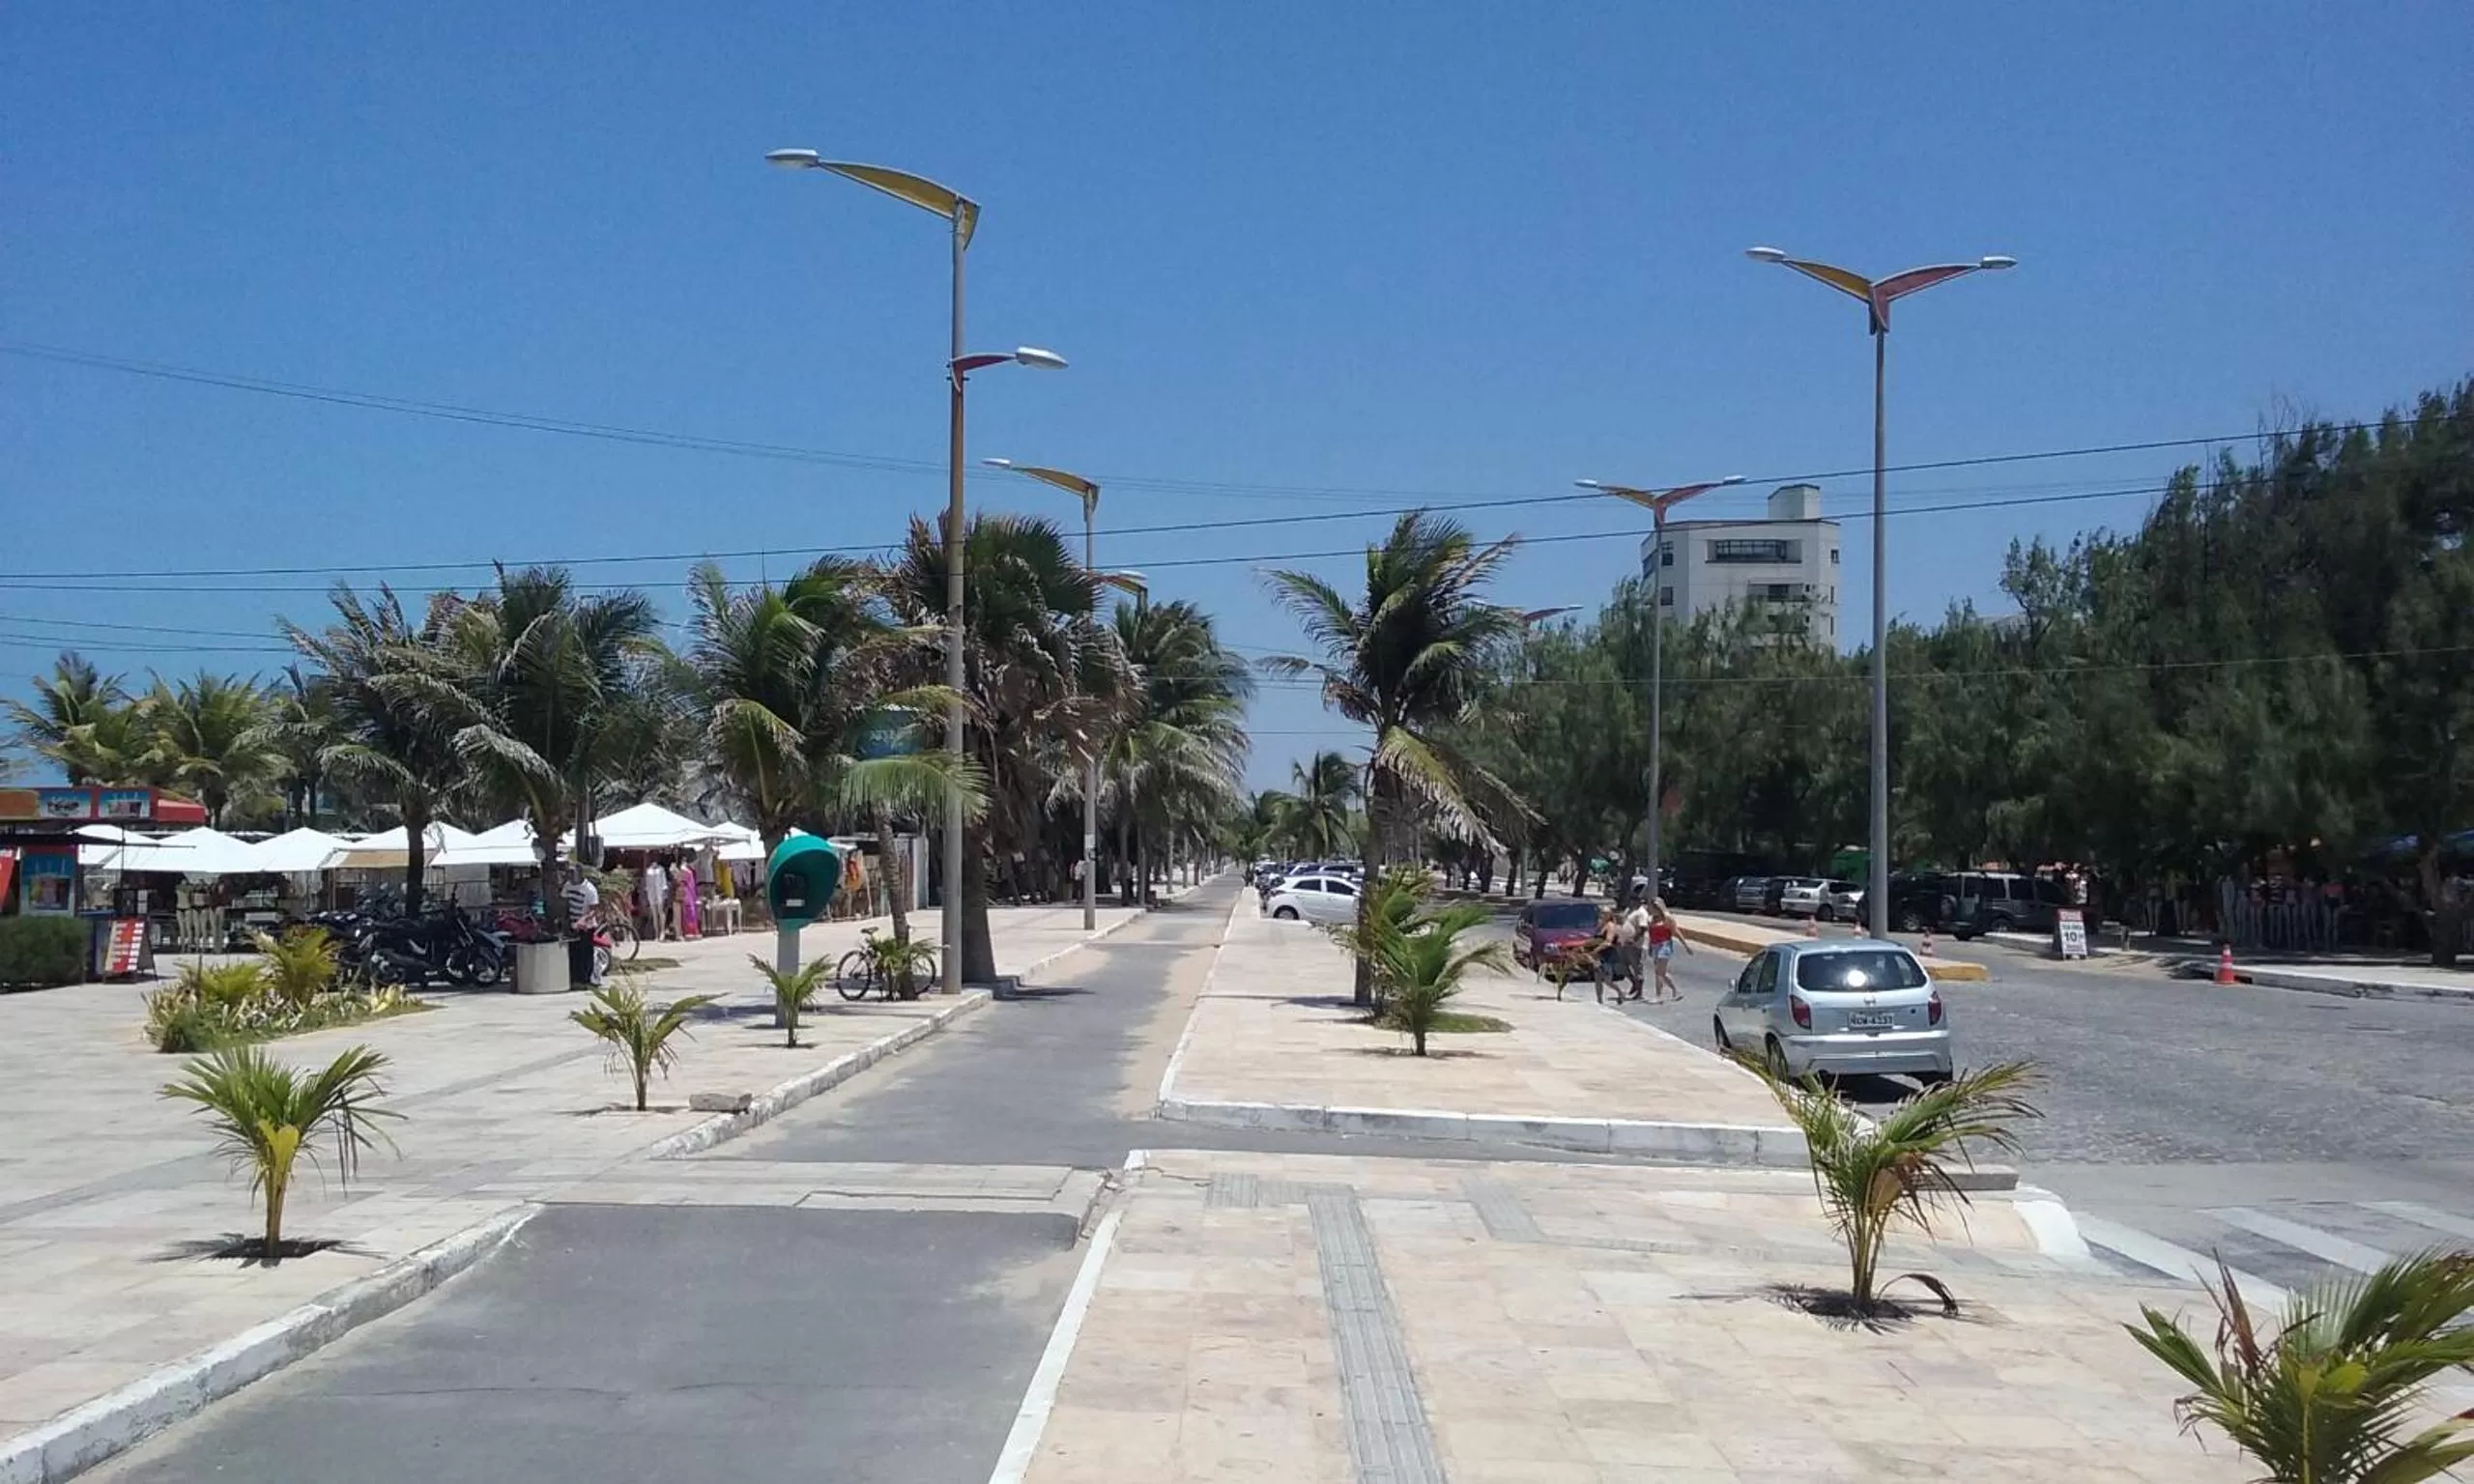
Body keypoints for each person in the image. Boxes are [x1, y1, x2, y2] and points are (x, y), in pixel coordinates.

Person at [561, 864, 605, 986]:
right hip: (573, 923)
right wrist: (565, 920)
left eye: (571, 872)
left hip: (587, 925)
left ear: (579, 873)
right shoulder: (568, 885)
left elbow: (594, 910)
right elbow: (565, 903)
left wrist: (583, 920)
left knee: (585, 953)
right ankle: (575, 979)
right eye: (568, 872)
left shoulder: (589, 889)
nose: (569, 875)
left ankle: (586, 979)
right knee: (574, 952)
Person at [1645, 899, 1691, 1004]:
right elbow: (1651, 935)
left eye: (1654, 907)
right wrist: (1650, 947)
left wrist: (1686, 946)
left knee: (1658, 972)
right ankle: (1676, 991)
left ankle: (1658, 996)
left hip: (1664, 946)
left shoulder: (1667, 918)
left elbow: (1676, 932)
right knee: (1662, 972)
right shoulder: (1650, 919)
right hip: (1655, 946)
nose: (1651, 909)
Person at [1620, 895, 1654, 1001]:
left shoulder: (1641, 912)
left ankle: (1639, 992)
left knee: (1637, 968)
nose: (1631, 903)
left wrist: (1633, 939)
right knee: (1622, 967)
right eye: (1631, 900)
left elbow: (1643, 928)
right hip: (1624, 943)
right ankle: (1634, 983)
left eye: (1634, 901)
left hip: (1636, 945)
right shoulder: (1629, 910)